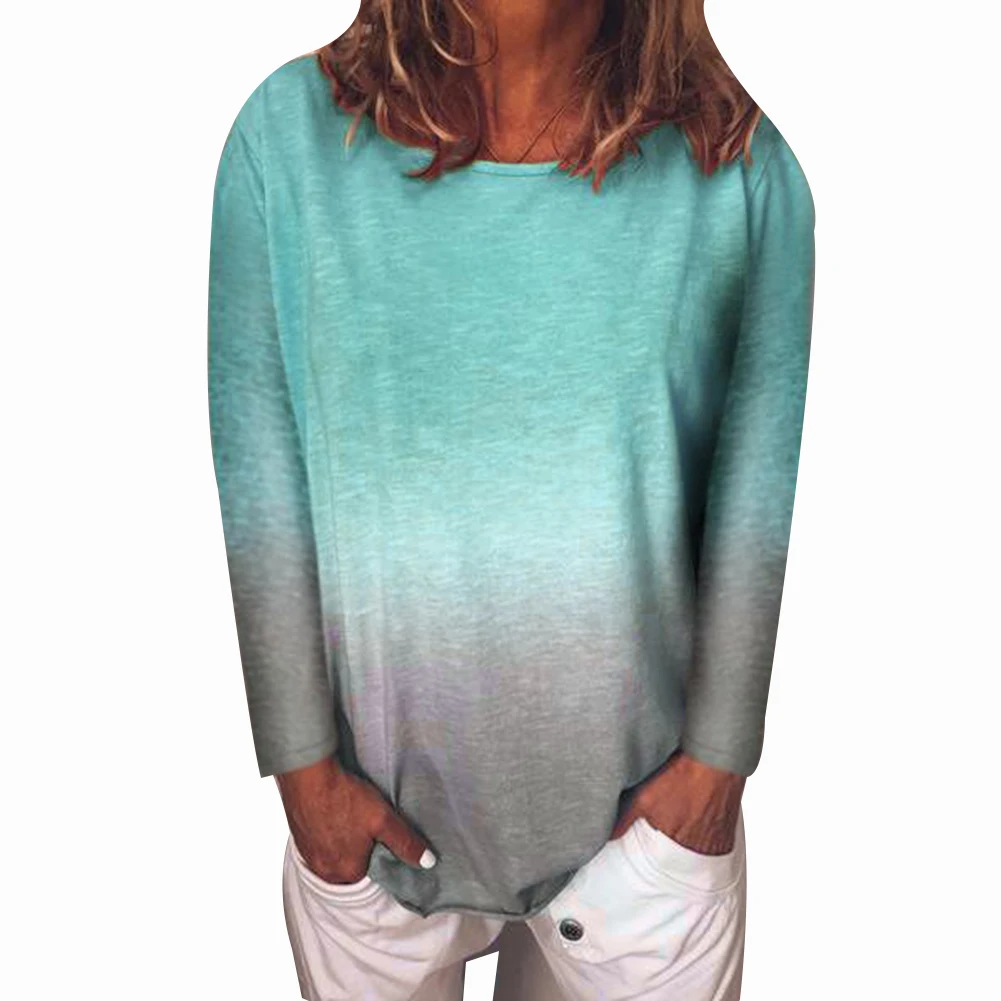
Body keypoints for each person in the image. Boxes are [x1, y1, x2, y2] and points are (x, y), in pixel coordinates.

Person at [207, 0, 815, 997]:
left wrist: (715, 770)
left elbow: (755, 495)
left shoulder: (734, 164)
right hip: (369, 832)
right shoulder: (289, 139)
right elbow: (260, 478)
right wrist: (302, 771)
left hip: (643, 850)